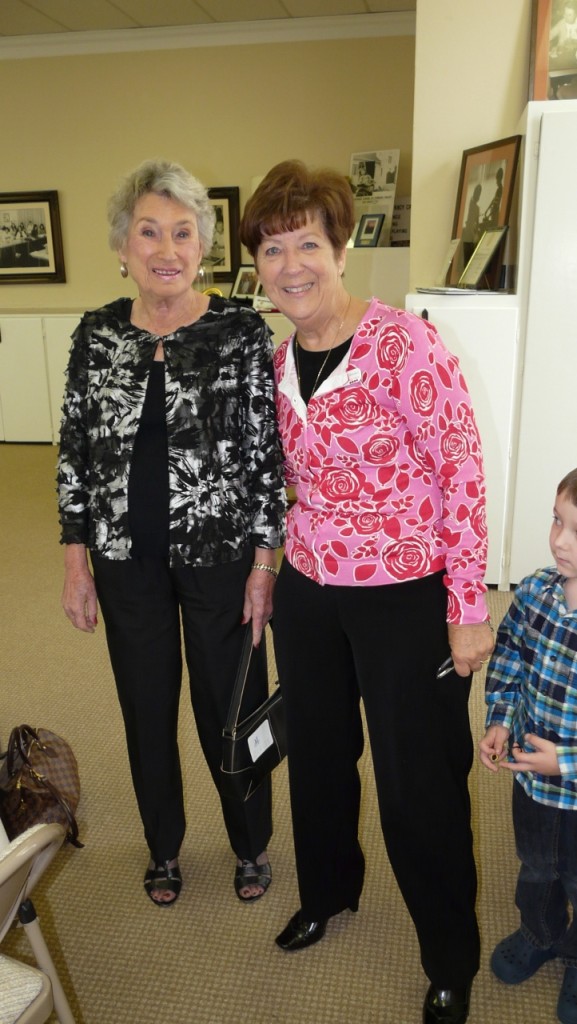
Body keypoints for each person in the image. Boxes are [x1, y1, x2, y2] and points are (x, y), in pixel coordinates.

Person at [240, 160, 494, 1024]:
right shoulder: (277, 361)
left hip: (403, 594)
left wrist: (467, 608)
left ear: (341, 250)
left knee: (417, 781)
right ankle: (327, 892)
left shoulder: (403, 344)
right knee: (316, 759)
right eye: (272, 249)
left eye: (306, 243)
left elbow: (461, 472)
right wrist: (270, 569)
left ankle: (448, 955)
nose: (290, 266)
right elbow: (278, 481)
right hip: (311, 588)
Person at [58, 159, 286, 907]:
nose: (166, 249)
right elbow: (74, 453)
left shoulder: (238, 330)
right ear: (122, 246)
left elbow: (266, 456)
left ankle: (249, 841)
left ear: (203, 246)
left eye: (182, 233)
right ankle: (163, 846)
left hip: (222, 558)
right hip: (125, 560)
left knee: (230, 704)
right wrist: (76, 562)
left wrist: (265, 563)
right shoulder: (96, 335)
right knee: (146, 709)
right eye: (149, 232)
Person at [480, 468, 577, 1024]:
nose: (560, 541)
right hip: (533, 785)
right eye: (557, 521)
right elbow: (510, 655)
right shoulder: (537, 590)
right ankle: (540, 932)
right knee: (537, 866)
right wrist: (500, 719)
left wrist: (566, 761)